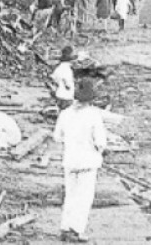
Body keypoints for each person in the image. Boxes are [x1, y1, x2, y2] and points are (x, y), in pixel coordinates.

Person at [53, 79, 107, 243]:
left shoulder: (65, 114)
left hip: (70, 160)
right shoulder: (94, 115)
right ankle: (76, 229)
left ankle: (65, 227)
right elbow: (100, 142)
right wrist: (99, 150)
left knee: (70, 195)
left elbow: (57, 137)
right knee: (83, 197)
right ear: (92, 98)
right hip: (88, 162)